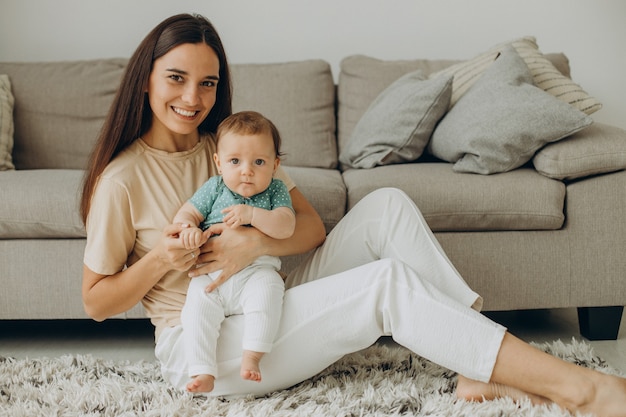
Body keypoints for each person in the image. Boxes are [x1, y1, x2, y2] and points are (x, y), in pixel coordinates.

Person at [79, 13, 626, 416]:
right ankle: (584, 389)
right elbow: (97, 300)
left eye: (208, 82)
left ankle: (475, 364)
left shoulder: (230, 147)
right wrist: (160, 260)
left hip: (265, 298)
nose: (192, 97)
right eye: (176, 77)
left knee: (385, 205)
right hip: (201, 343)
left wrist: (259, 243)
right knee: (383, 285)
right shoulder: (121, 178)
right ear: (146, 78)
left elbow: (313, 229)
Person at [173, 110, 295, 392]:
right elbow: (186, 213)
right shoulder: (214, 188)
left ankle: (252, 355)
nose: (247, 170)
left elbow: (286, 225)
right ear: (219, 163)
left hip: (256, 271)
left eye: (259, 162)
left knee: (269, 293)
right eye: (235, 161)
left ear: (275, 165)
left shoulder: (275, 190)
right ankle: (202, 370)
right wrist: (188, 228)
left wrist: (252, 214)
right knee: (195, 311)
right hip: (210, 276)